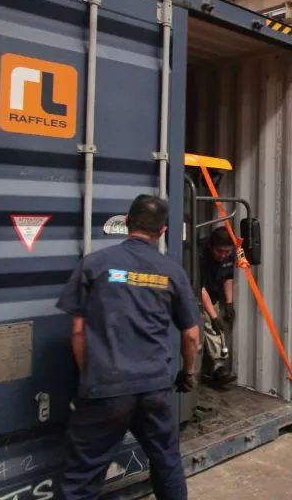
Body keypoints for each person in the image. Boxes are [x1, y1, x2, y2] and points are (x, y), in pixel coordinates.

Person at [56, 194, 200, 500]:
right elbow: (191, 335)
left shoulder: (94, 264)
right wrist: (188, 373)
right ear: (162, 231)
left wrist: (90, 376)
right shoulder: (172, 272)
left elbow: (78, 330)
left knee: (82, 475)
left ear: (126, 222)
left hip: (106, 385)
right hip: (155, 388)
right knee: (166, 460)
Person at [199, 226, 238, 386]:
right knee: (210, 322)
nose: (223, 255)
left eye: (227, 252)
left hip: (213, 293)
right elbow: (199, 288)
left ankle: (218, 364)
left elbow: (227, 276)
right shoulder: (199, 254)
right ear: (211, 246)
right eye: (219, 251)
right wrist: (214, 317)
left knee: (221, 324)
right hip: (197, 293)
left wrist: (229, 303)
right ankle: (217, 366)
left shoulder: (230, 254)